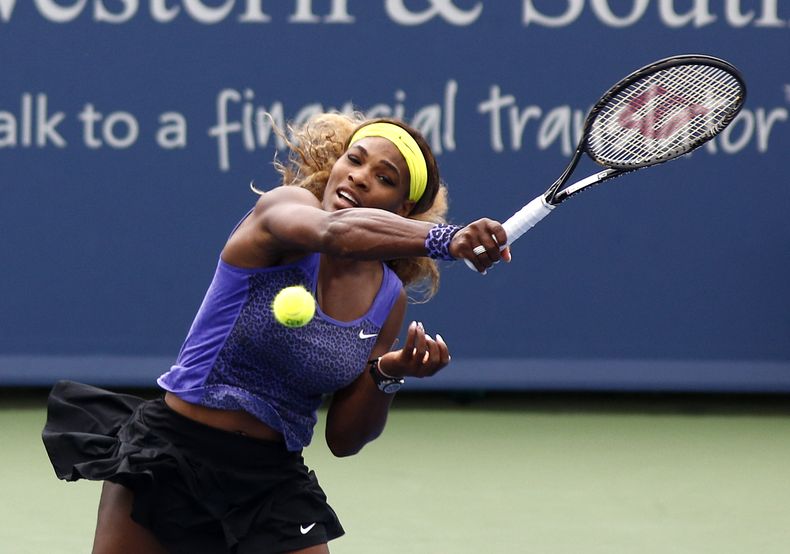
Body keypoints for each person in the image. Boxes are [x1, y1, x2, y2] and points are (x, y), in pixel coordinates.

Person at [42, 112, 510, 553]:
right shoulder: (285, 212)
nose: (360, 176)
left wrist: (387, 374)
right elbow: (335, 232)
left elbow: (344, 441)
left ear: (401, 207)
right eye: (355, 158)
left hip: (271, 480)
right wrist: (442, 239)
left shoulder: (388, 298)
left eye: (384, 178)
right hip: (174, 453)